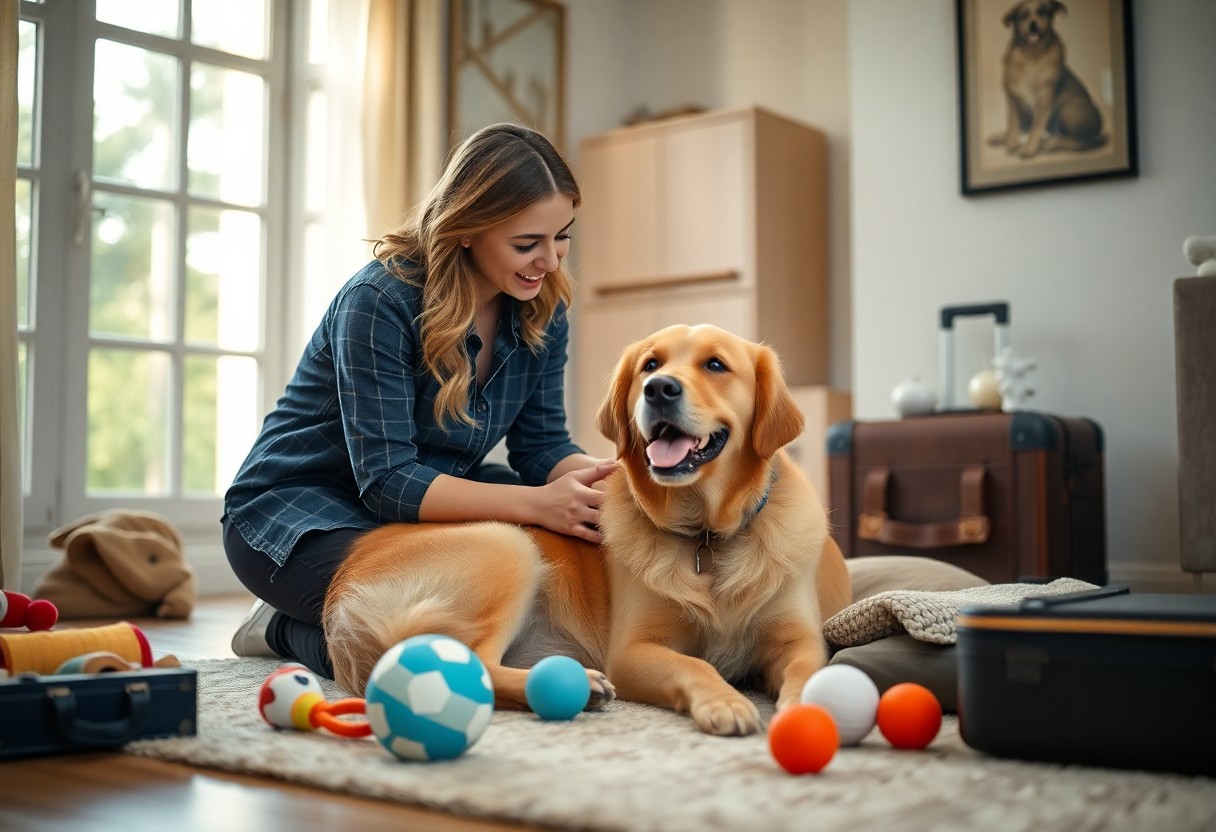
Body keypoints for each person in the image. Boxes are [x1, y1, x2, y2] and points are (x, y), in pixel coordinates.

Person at [222, 123, 615, 679]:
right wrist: (539, 504)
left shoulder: (542, 308)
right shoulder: (378, 299)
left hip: (417, 515)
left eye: (563, 236)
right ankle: (281, 628)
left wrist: (610, 481)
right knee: (417, 653)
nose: (550, 262)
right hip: (299, 514)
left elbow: (542, 445)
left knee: (531, 581)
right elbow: (388, 482)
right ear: (467, 230)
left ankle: (307, 621)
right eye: (527, 244)